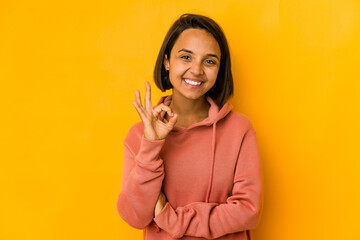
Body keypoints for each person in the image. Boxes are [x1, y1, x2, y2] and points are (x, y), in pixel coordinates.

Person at [117, 13, 264, 240]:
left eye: (209, 61)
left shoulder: (239, 129)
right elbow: (135, 217)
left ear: (219, 70)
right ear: (167, 61)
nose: (196, 70)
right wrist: (151, 145)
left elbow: (248, 211)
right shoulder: (139, 136)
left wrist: (173, 220)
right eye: (186, 57)